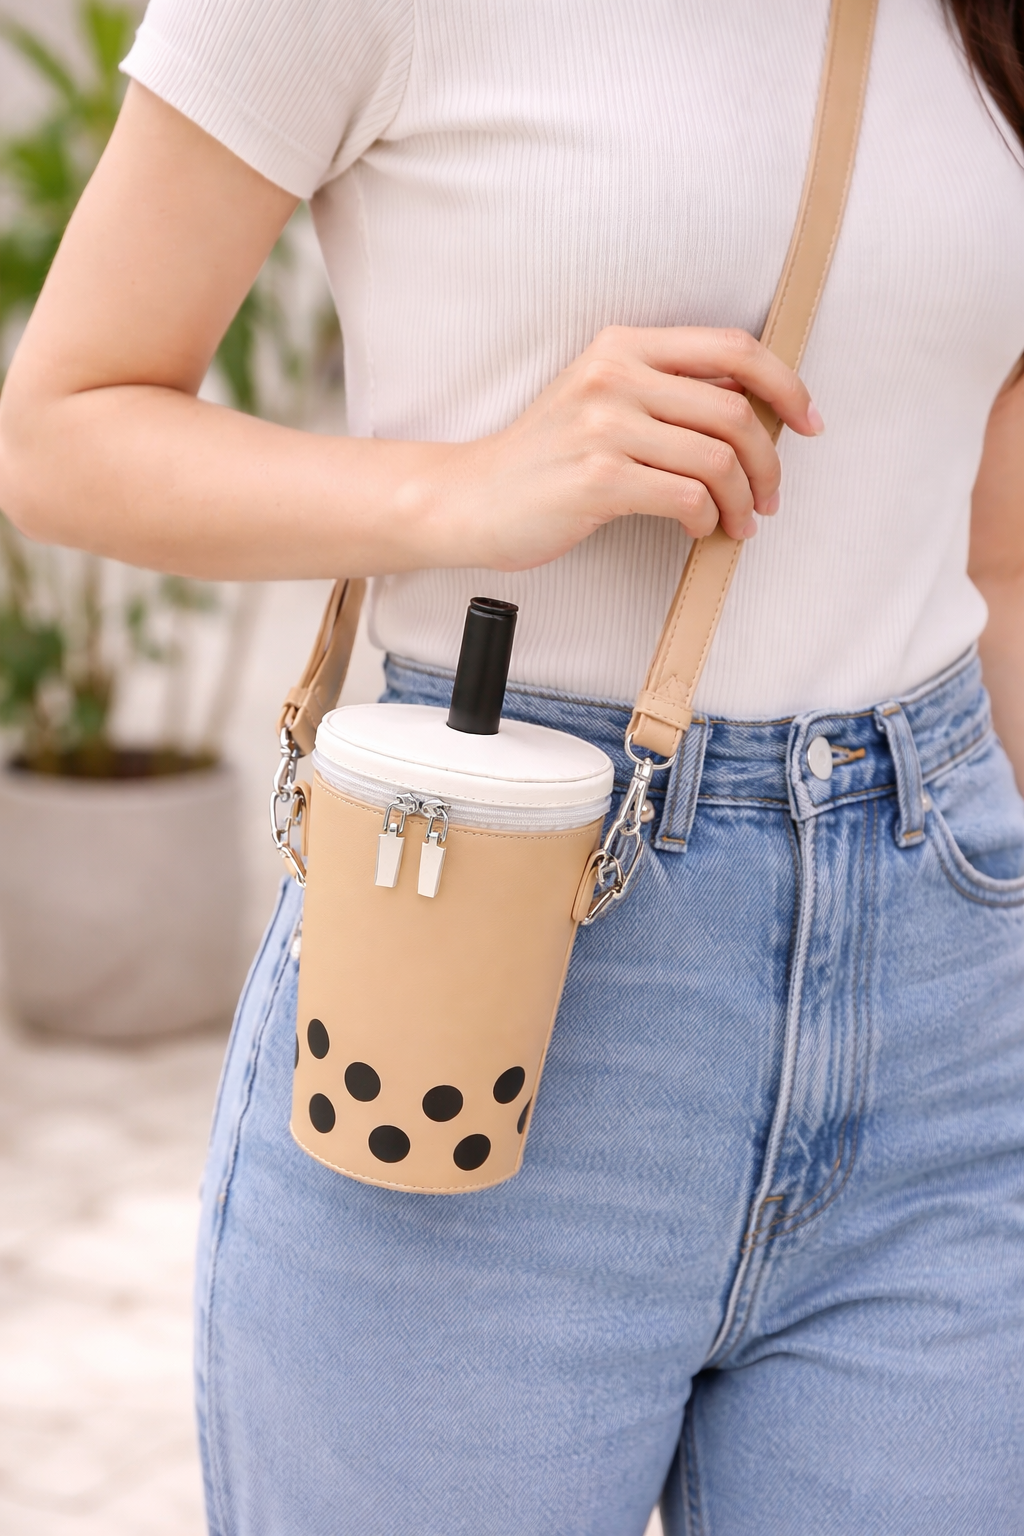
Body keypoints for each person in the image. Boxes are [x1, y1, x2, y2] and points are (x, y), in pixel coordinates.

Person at [1, 0, 1022, 1530]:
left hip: (948, 1001)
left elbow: (994, 543)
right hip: (479, 965)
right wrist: (465, 489)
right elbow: (60, 430)